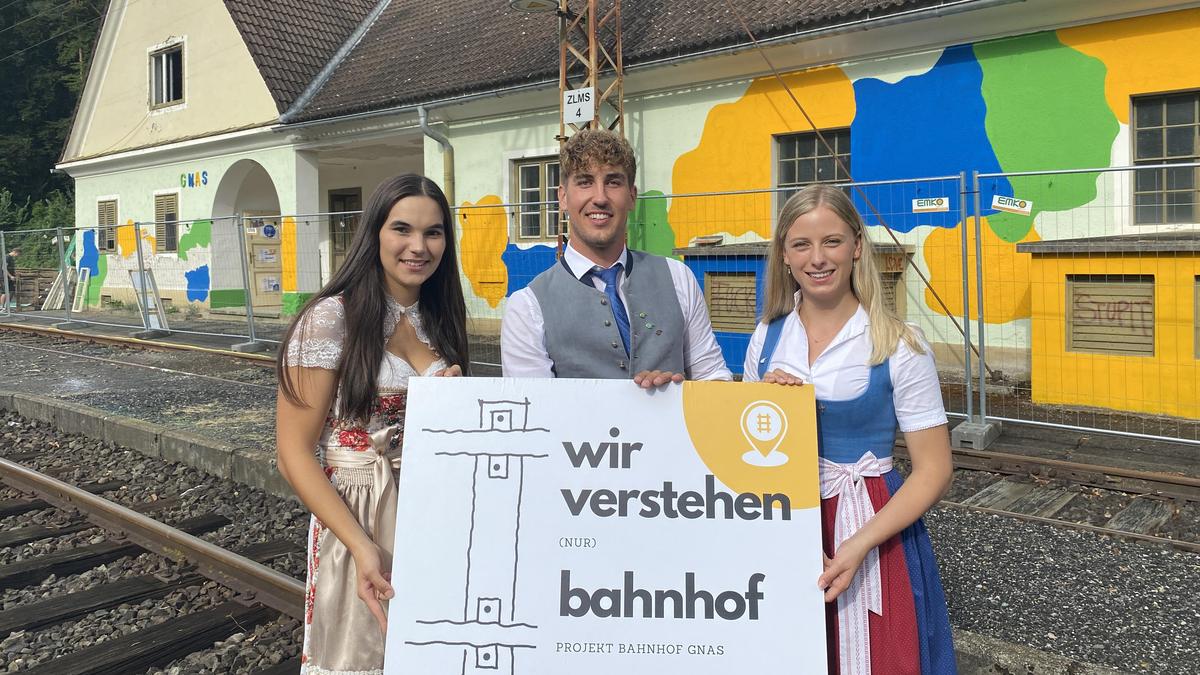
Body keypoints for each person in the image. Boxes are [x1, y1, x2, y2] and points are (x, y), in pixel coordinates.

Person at [743, 184, 955, 675]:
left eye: (832, 242)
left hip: (871, 524)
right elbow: (745, 451)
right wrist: (768, 405)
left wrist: (858, 545)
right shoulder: (768, 336)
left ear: (857, 246)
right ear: (785, 255)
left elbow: (934, 469)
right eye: (802, 245)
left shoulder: (900, 343)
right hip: (785, 516)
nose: (818, 258)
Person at [275, 174, 469, 675]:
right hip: (358, 513)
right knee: (362, 656)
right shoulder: (328, 319)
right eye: (402, 229)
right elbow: (293, 453)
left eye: (434, 233)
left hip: (432, 510)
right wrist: (361, 545)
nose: (419, 247)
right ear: (374, 233)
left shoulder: (439, 319)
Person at [501, 129, 731, 385]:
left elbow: (713, 376)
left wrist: (676, 395)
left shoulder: (678, 278)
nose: (600, 198)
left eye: (613, 182)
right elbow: (535, 413)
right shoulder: (527, 307)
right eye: (585, 182)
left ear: (632, 196)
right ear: (563, 197)